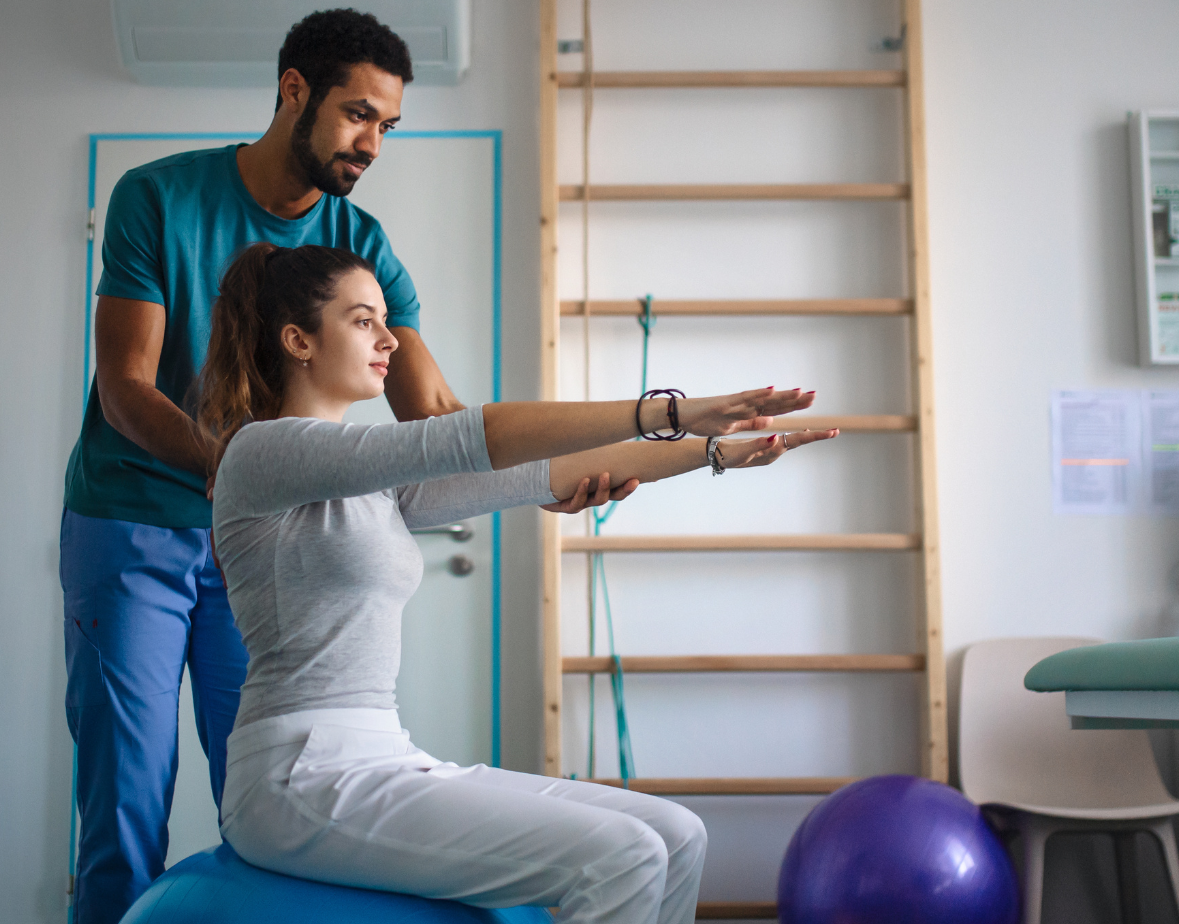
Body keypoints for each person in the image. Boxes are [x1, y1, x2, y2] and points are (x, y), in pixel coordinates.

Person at [59, 10, 629, 923]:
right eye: (360, 115)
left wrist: (538, 479)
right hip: (133, 519)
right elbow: (126, 387)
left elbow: (435, 421)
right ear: (294, 92)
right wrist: (245, 468)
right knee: (126, 798)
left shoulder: (360, 248)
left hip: (266, 544)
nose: (374, 142)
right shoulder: (156, 197)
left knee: (261, 790)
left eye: (388, 126)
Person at [199, 243, 837, 924]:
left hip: (382, 754)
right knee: (622, 854)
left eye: (385, 320)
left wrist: (714, 452)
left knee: (679, 834)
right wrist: (672, 412)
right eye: (363, 322)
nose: (390, 339)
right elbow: (484, 436)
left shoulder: (368, 480)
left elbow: (545, 473)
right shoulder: (261, 453)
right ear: (298, 339)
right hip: (299, 775)